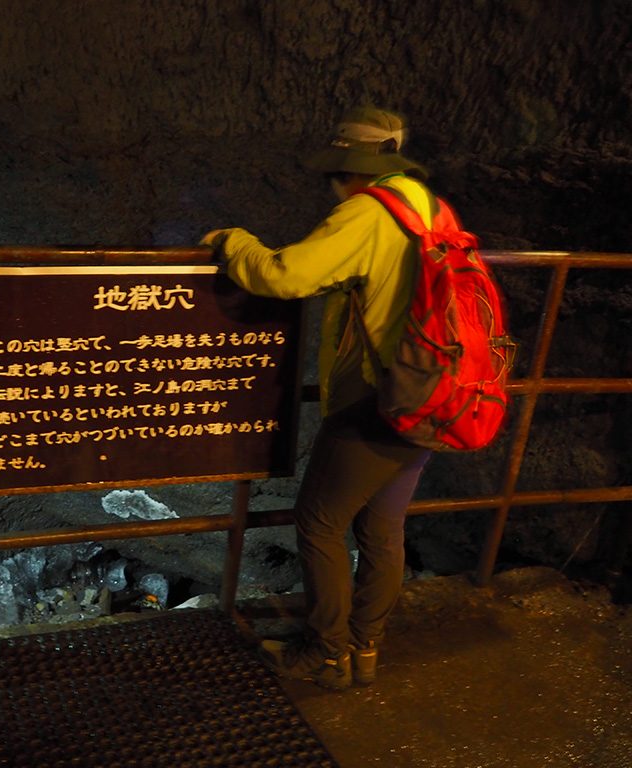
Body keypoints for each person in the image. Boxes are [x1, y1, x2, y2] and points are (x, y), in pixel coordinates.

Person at [201, 107, 435, 690]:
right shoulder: (428, 207)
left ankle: (328, 653)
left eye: (335, 173)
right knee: (382, 528)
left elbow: (285, 275)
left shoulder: (367, 213)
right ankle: (366, 647)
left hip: (376, 398)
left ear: (353, 170)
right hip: (434, 393)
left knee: (320, 522)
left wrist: (235, 242)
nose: (332, 186)